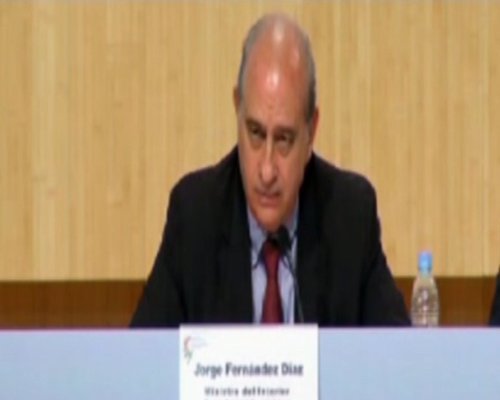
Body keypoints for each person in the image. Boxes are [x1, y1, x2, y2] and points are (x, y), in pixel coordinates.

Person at [131, 13, 409, 327]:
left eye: (284, 139)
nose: (266, 171)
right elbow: (143, 353)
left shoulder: (349, 217)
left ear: (311, 132)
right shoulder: (195, 218)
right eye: (255, 133)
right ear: (237, 108)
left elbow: (397, 351)